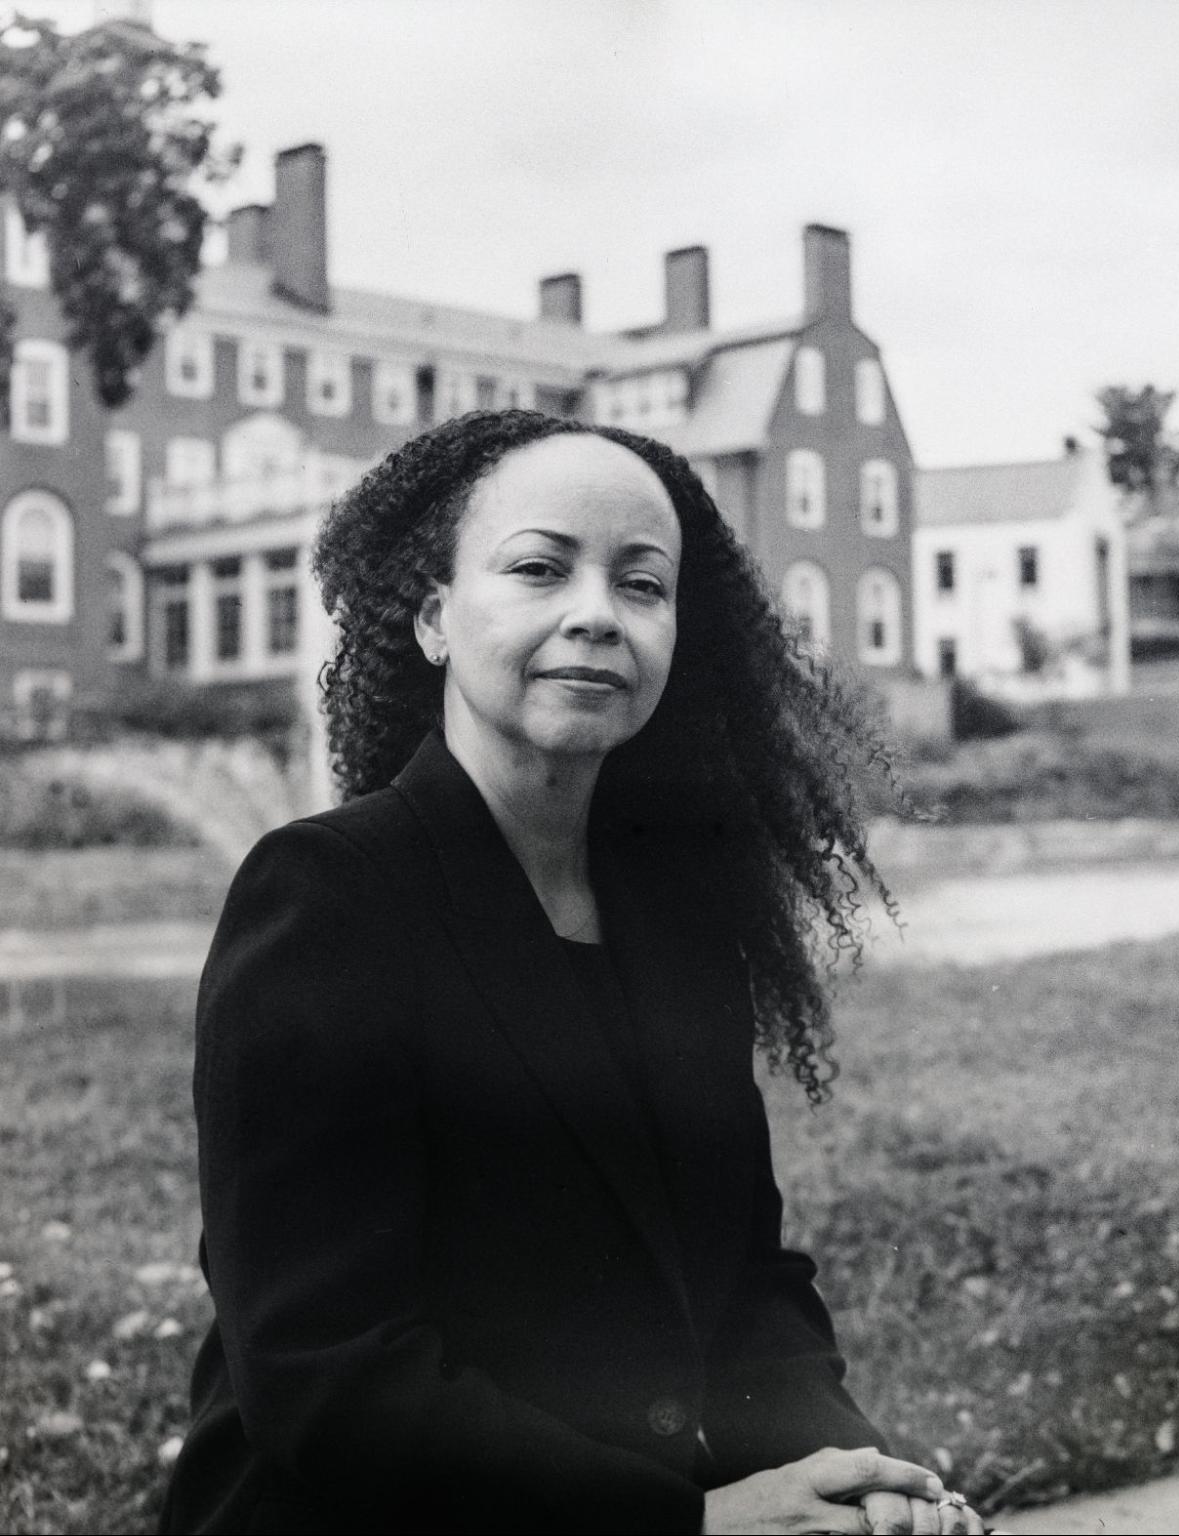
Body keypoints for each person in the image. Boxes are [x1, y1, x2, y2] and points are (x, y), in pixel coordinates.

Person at [162, 410, 987, 1535]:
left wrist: (858, 1482)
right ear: (436, 618)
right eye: (541, 568)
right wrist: (693, 1526)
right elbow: (328, 1374)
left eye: (642, 586)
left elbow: (747, 1286)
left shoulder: (678, 921)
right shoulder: (327, 901)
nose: (596, 614)